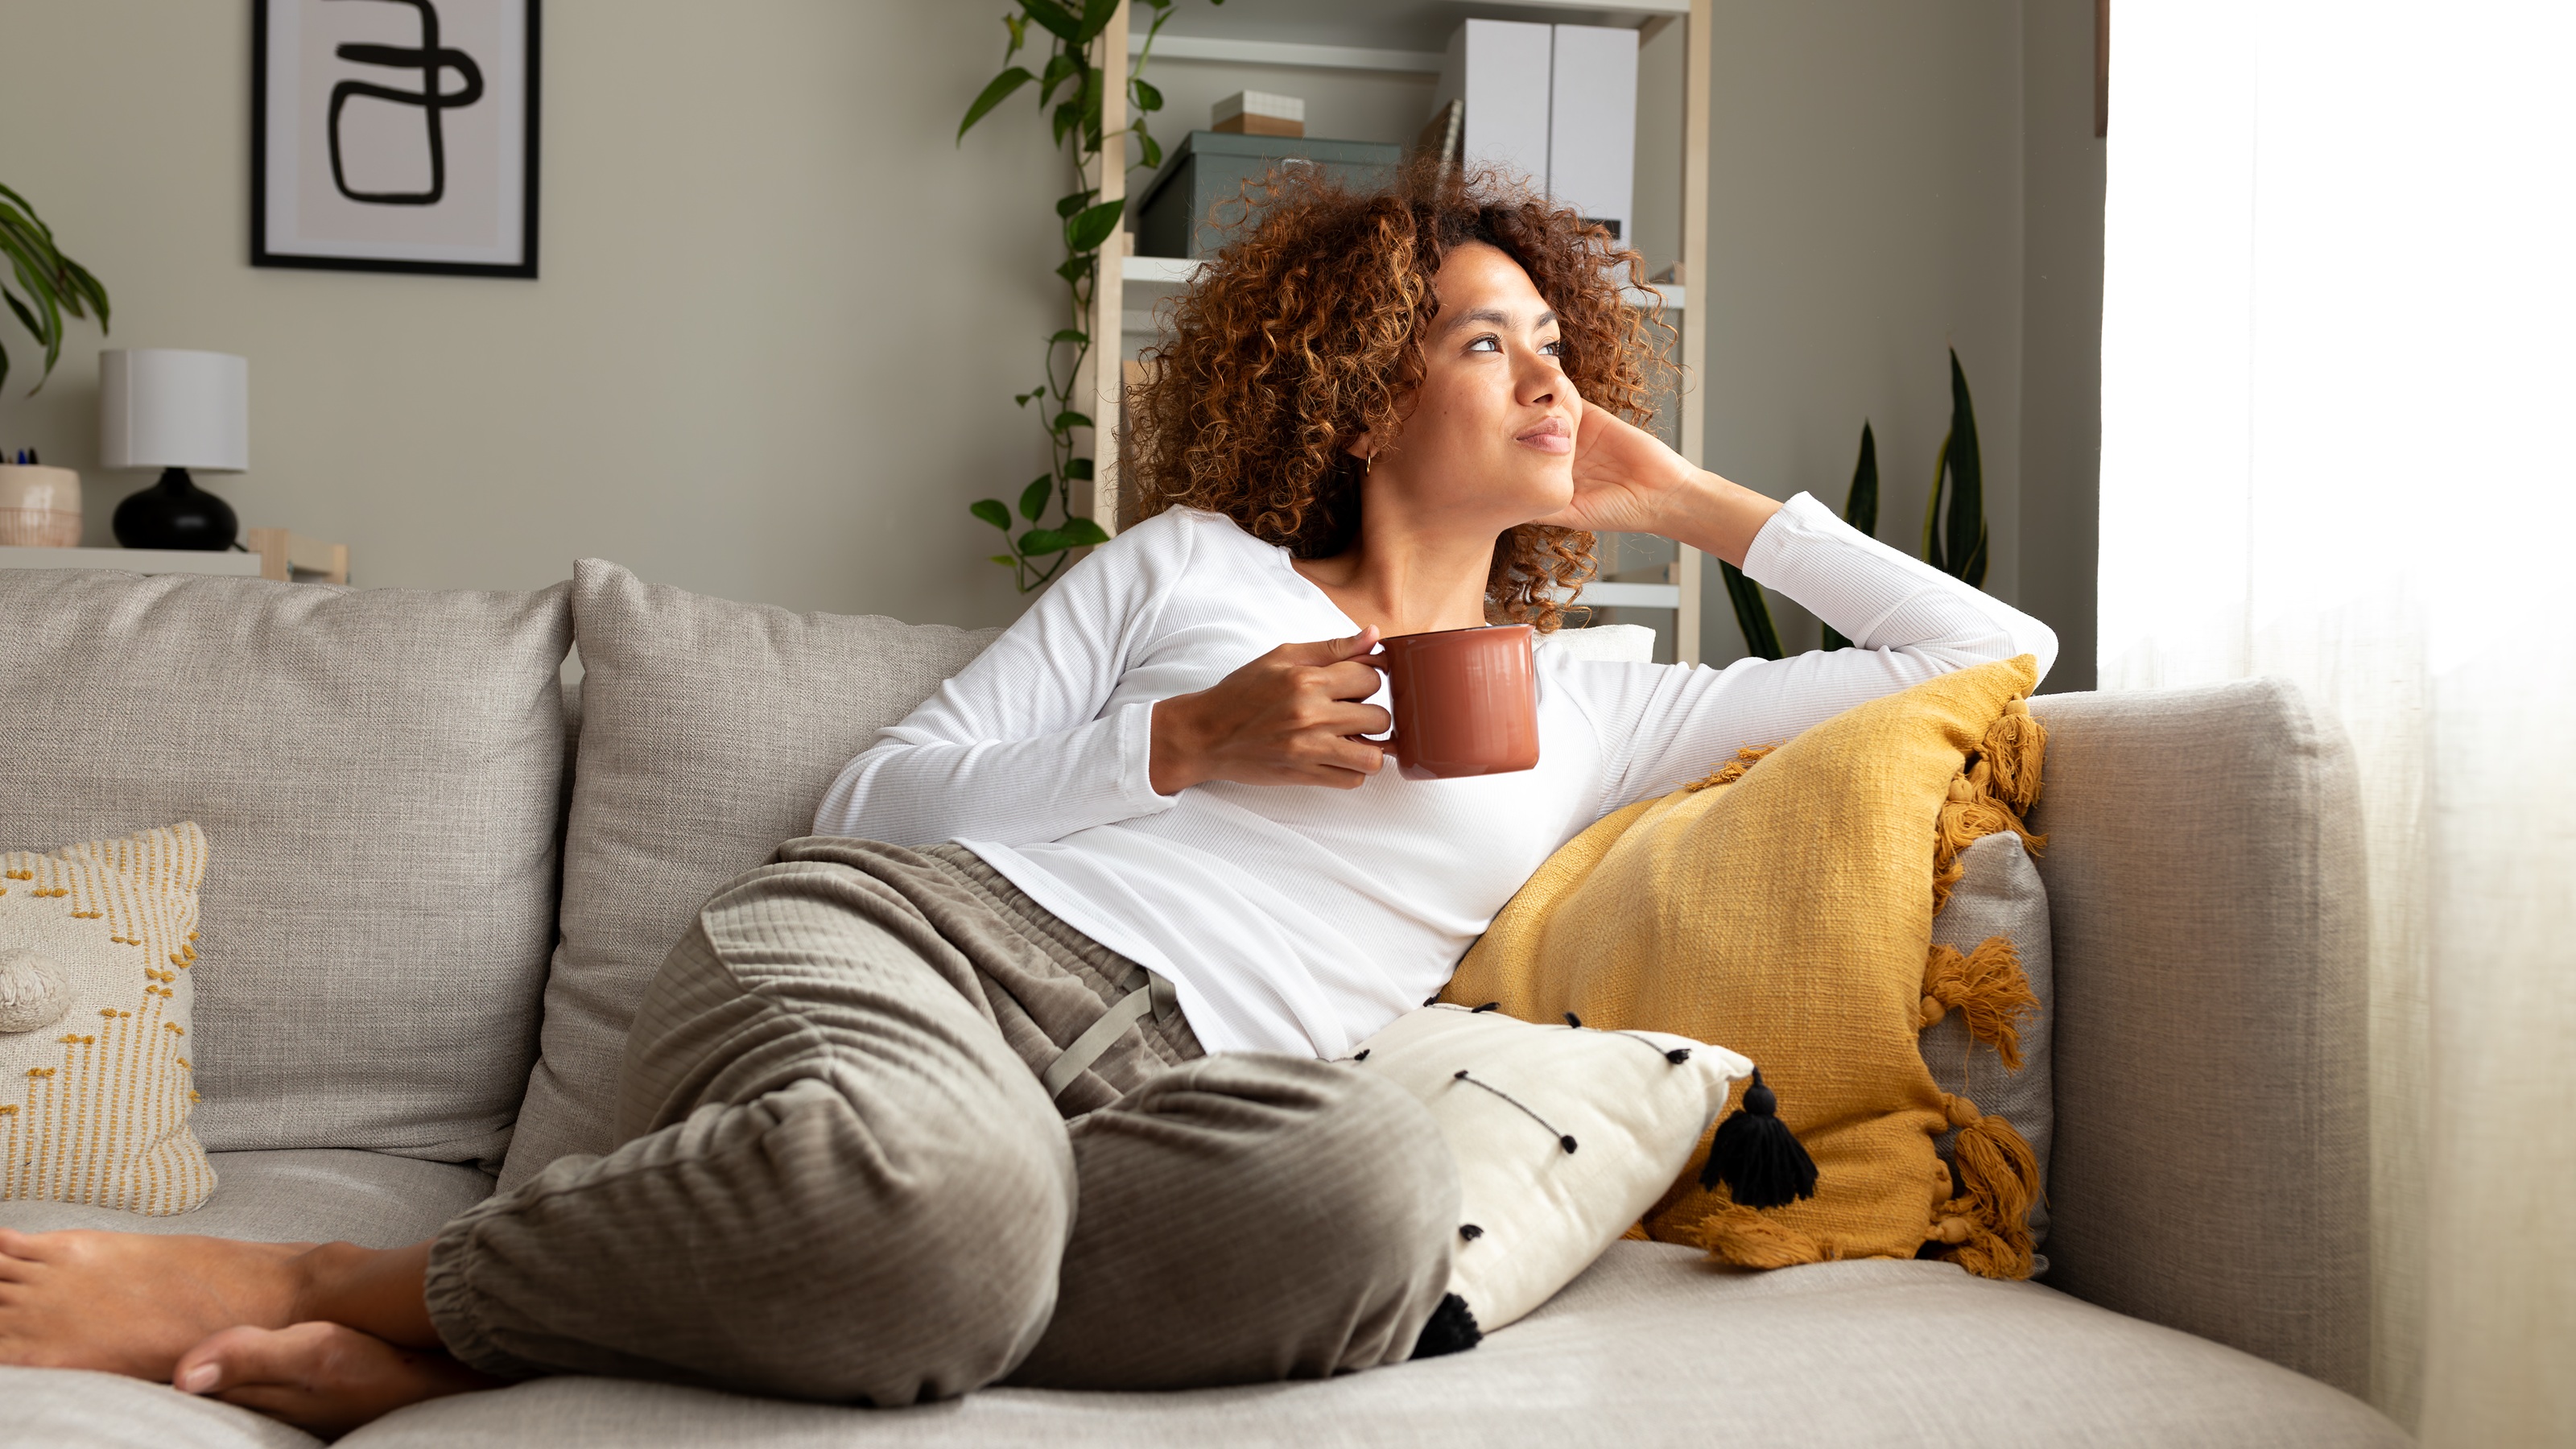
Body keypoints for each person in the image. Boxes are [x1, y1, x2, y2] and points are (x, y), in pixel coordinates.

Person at [0, 165, 2054, 1435]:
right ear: (1349, 395)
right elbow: (879, 798)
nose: (1544, 380)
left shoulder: (1598, 703)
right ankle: (326, 1285)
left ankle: (613, 1322)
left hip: (1167, 1094)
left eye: (1556, 347)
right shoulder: (1186, 573)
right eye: (1478, 341)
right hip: (908, 955)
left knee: (1357, 1207)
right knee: (948, 1206)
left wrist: (1678, 499)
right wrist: (1188, 743)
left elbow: (1987, 658)